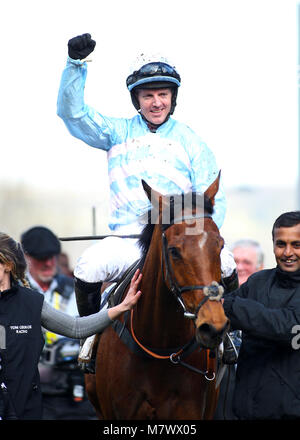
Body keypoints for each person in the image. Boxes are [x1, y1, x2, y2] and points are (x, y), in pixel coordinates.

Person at [56, 33, 237, 324]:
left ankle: (229, 337)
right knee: (88, 267)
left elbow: (213, 200)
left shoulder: (192, 142)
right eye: (148, 95)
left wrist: (197, 239)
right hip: (126, 241)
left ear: (172, 98)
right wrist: (75, 65)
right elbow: (72, 114)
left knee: (226, 264)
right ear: (136, 99)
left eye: (163, 94)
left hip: (179, 242)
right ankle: (88, 338)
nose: (156, 103)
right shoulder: (115, 133)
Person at [0, 232, 141, 420]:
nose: (48, 263)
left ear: (8, 265)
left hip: (28, 407)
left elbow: (76, 328)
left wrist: (123, 306)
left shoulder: (31, 302)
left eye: (51, 258)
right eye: (41, 258)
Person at [223, 211, 300, 419]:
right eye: (281, 244)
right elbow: (221, 313)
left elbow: (289, 329)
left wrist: (238, 309)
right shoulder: (257, 282)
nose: (288, 252)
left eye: (296, 245)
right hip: (243, 411)